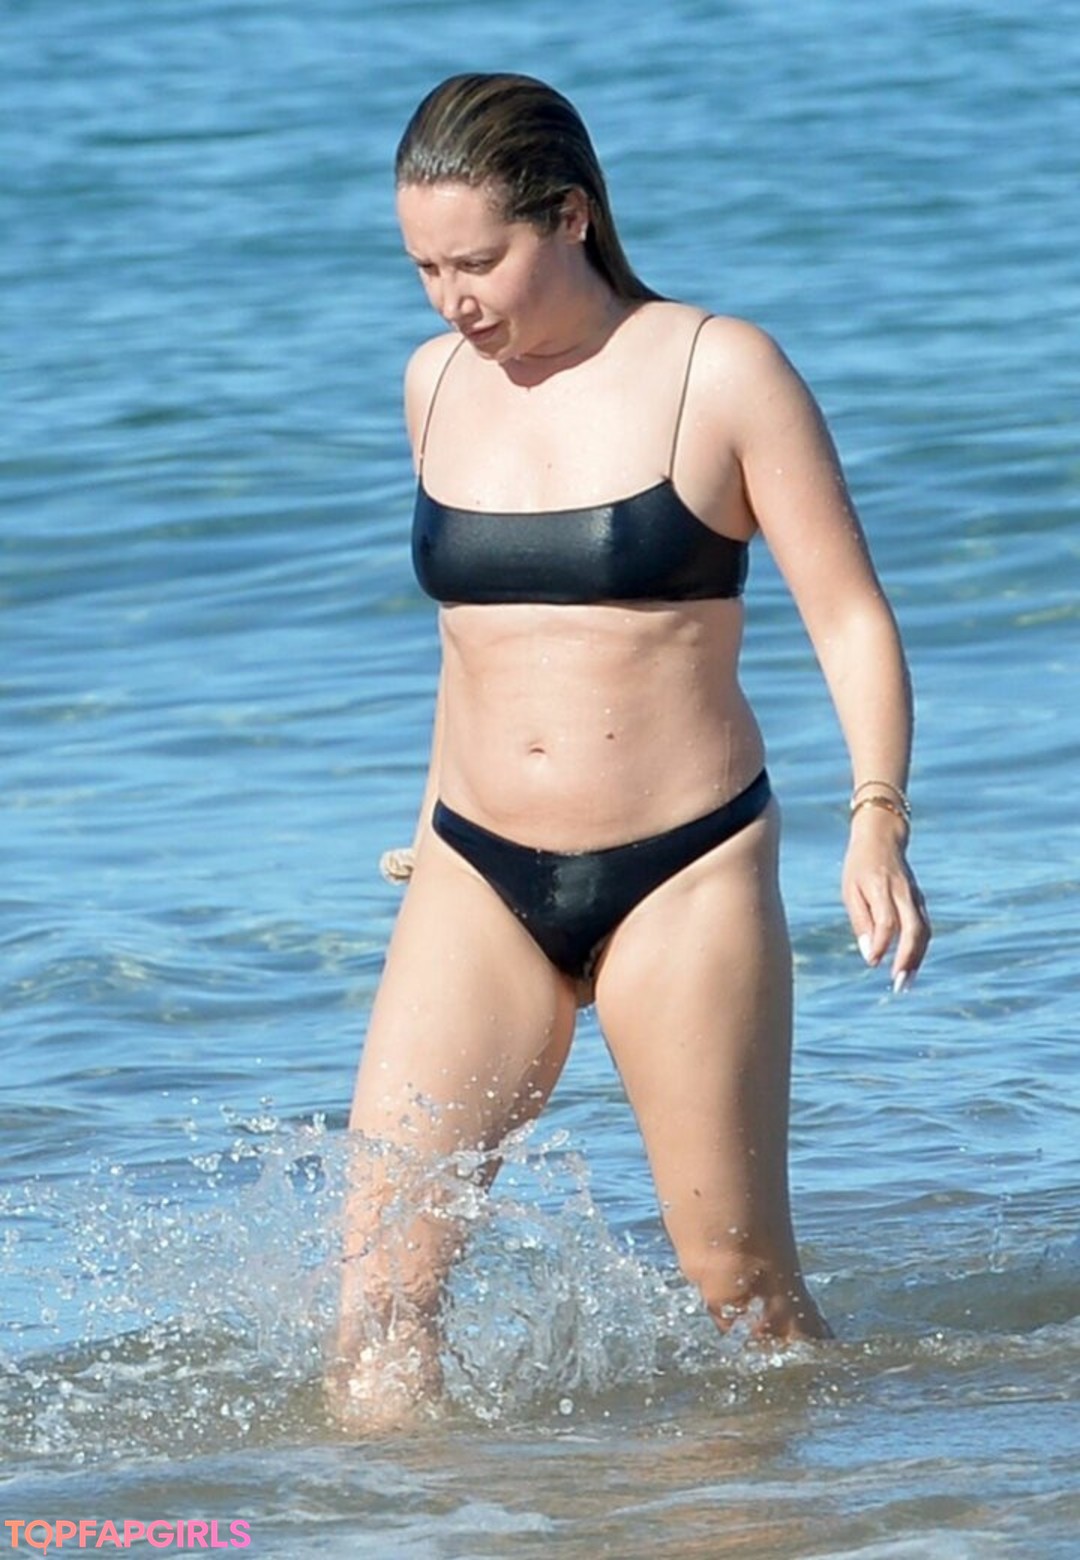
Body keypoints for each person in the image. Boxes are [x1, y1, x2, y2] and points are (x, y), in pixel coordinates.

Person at [330, 72, 931, 1429]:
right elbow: (470, 643)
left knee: (741, 1291)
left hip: (686, 869)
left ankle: (857, 1495)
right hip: (475, 872)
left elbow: (849, 617)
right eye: (424, 268)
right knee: (380, 1297)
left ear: (573, 216)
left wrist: (877, 815)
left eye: (479, 261)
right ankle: (388, 1518)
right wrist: (427, 831)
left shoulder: (721, 370)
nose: (451, 300)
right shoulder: (434, 384)